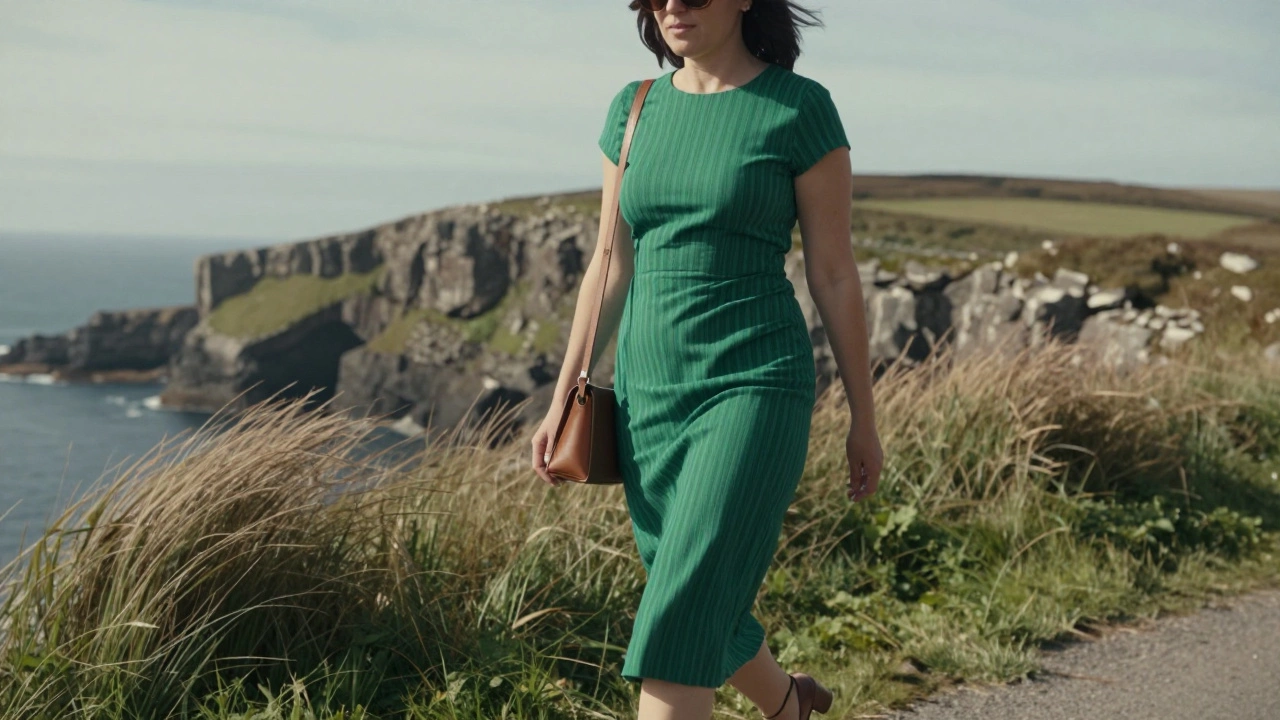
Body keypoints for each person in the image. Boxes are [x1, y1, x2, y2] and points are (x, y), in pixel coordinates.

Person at [531, 1, 884, 718]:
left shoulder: (798, 110)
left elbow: (835, 274)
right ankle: (790, 706)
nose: (673, 5)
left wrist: (863, 417)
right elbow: (608, 262)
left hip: (752, 387)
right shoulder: (633, 111)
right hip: (647, 395)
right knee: (689, 588)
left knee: (676, 621)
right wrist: (562, 394)